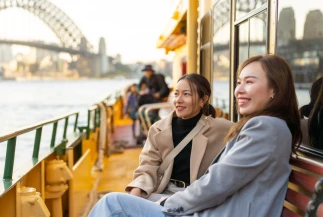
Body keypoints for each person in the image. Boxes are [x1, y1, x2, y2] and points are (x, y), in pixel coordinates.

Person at [88, 54, 302, 217]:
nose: (239, 90)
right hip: (209, 207)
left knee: (112, 204)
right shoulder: (268, 127)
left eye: (249, 82)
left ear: (274, 89)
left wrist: (166, 204)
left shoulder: (264, 128)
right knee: (130, 201)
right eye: (238, 82)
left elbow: (216, 184)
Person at [126, 73, 233, 202]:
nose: (178, 100)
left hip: (197, 198)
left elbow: (249, 134)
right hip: (163, 194)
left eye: (186, 94)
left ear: (202, 100)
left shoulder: (221, 128)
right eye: (176, 94)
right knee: (113, 201)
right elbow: (148, 167)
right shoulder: (158, 129)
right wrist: (136, 191)